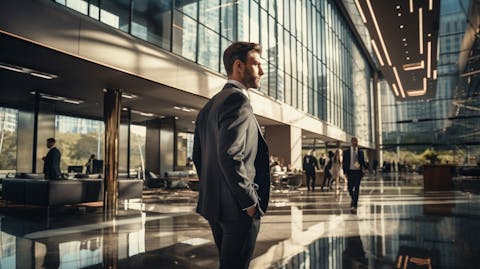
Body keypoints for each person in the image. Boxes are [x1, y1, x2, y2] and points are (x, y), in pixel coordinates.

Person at [193, 41, 270, 269]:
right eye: (256, 65)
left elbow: (199, 156)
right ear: (239, 66)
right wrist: (249, 203)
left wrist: (214, 191)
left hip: (215, 207)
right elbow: (229, 154)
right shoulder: (238, 100)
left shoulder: (209, 106)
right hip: (238, 209)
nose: (262, 71)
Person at [342, 137, 367, 213]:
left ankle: (354, 205)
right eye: (354, 141)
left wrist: (365, 169)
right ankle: (353, 199)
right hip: (350, 172)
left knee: (357, 189)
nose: (355, 143)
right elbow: (344, 163)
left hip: (358, 172)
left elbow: (362, 162)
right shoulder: (346, 152)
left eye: (356, 142)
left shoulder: (360, 152)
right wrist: (345, 173)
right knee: (349, 188)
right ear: (351, 142)